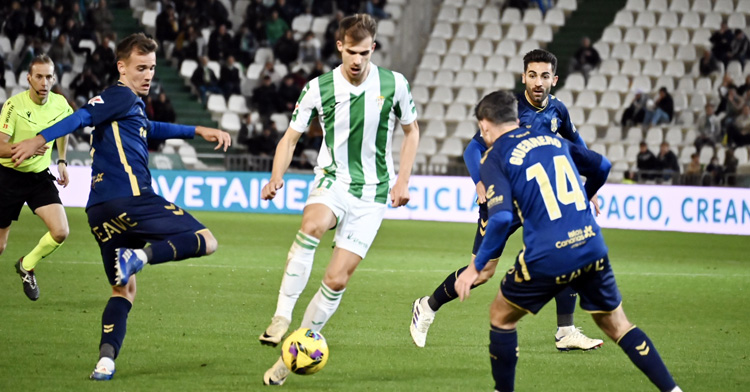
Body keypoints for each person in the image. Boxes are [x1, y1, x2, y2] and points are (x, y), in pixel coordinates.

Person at [10, 33, 232, 381]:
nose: (148, 75)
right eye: (141, 68)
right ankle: (140, 257)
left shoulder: (129, 107)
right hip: (131, 200)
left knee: (122, 289)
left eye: (152, 68)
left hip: (99, 213)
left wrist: (196, 129)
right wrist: (40, 140)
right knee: (207, 240)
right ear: (122, 67)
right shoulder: (120, 95)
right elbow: (80, 116)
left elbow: (151, 127)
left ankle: (105, 362)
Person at [454, 90, 682, 392]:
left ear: (484, 126)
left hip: (548, 254)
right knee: (618, 325)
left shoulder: (494, 157)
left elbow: (499, 219)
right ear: (516, 117)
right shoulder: (554, 140)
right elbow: (602, 167)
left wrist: (475, 267)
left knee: (501, 315)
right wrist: (585, 197)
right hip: (591, 244)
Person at [258, 14, 420, 386]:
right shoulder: (319, 87)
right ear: (340, 48)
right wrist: (276, 176)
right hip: (333, 181)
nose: (357, 60)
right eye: (351, 52)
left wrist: (403, 181)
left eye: (364, 52)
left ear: (373, 48)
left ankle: (295, 352)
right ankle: (282, 315)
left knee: (335, 279)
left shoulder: (394, 84)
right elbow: (290, 138)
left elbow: (412, 133)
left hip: (374, 193)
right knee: (312, 224)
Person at [410, 49, 603, 351]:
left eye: (544, 76)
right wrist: (480, 182)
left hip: (535, 201)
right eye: (532, 75)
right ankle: (427, 305)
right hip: (503, 201)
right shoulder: (509, 111)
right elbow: (472, 150)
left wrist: (582, 188)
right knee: (483, 272)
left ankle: (565, 331)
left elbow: (578, 146)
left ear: (554, 79)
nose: (538, 82)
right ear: (523, 76)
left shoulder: (558, 110)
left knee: (566, 247)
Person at [0, 55, 72, 301]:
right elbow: (0, 147)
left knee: (61, 231)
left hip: (39, 177)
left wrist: (61, 160)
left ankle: (26, 265)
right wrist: (28, 146)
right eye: (39, 76)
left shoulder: (60, 104)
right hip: (8, 177)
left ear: (54, 78)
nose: (44, 82)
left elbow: (66, 128)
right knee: (0, 246)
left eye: (48, 76)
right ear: (29, 78)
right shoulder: (14, 106)